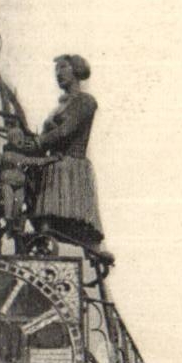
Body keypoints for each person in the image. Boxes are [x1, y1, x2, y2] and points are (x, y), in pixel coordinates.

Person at [32, 54, 104, 249]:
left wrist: (39, 141)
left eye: (63, 67)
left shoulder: (85, 102)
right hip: (54, 164)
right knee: (44, 220)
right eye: (57, 70)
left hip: (70, 166)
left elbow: (65, 131)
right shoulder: (58, 107)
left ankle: (92, 246)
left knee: (68, 217)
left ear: (76, 71)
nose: (58, 73)